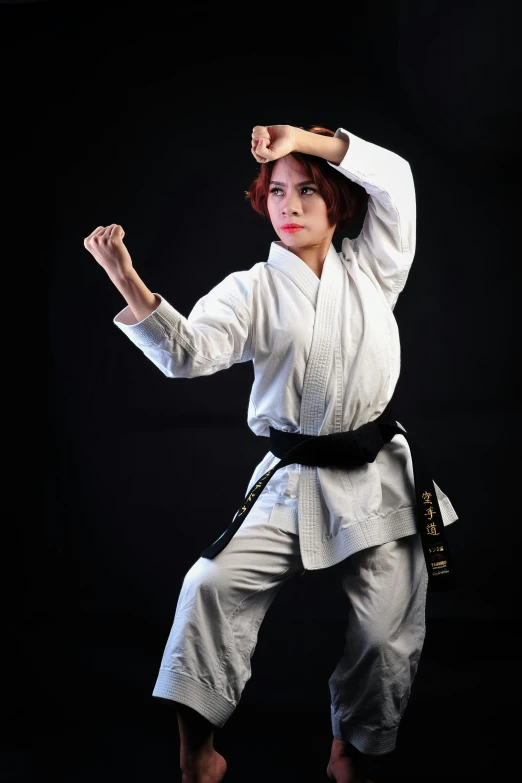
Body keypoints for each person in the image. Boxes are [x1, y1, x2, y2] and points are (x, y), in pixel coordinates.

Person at [84, 124, 459, 783]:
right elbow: (186, 352)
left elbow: (395, 178)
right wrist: (127, 279)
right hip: (294, 481)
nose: (288, 205)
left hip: (379, 481)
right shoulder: (253, 288)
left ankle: (352, 748)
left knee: (384, 635)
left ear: (337, 202)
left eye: (307, 189)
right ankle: (197, 752)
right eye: (277, 191)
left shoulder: (375, 266)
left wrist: (302, 135)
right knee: (207, 586)